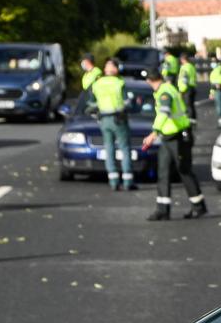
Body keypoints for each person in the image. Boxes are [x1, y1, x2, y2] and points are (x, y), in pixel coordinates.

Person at [141, 70, 207, 221]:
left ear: (149, 81)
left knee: (184, 171)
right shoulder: (165, 89)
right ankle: (162, 209)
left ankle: (198, 206)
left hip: (178, 137)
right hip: (168, 137)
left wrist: (153, 133)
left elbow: (164, 112)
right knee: (163, 171)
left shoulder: (165, 92)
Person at [89, 60, 135, 191]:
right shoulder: (119, 83)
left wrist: (97, 116)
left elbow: (91, 104)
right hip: (118, 119)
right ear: (116, 69)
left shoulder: (97, 84)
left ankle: (113, 181)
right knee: (125, 149)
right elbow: (128, 103)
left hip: (104, 120)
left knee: (109, 149)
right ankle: (127, 181)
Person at [177, 53, 199, 123]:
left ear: (183, 59)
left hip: (186, 88)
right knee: (191, 105)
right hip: (192, 87)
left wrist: (181, 91)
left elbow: (184, 79)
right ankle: (193, 119)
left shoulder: (184, 67)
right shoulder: (191, 66)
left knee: (187, 105)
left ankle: (189, 120)